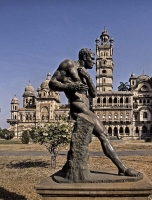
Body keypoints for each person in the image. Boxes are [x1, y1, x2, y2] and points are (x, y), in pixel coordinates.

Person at [49, 48, 141, 177]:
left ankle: (68, 167)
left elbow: (94, 94)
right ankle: (122, 168)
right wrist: (71, 86)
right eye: (92, 58)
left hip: (86, 107)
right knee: (103, 134)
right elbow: (52, 83)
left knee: (84, 141)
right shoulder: (69, 64)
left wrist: (87, 78)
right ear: (84, 57)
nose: (94, 61)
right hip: (78, 107)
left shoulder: (85, 72)